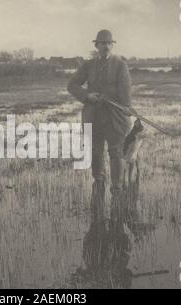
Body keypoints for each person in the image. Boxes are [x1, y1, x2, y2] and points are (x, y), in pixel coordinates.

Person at [68, 29, 134, 207]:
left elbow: (125, 88)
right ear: (96, 45)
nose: (105, 46)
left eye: (108, 43)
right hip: (93, 115)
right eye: (102, 43)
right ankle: (98, 181)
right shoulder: (88, 65)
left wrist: (126, 106)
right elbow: (72, 85)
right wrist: (87, 96)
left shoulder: (120, 64)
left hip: (114, 116)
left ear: (112, 45)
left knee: (116, 151)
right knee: (95, 151)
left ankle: (117, 189)